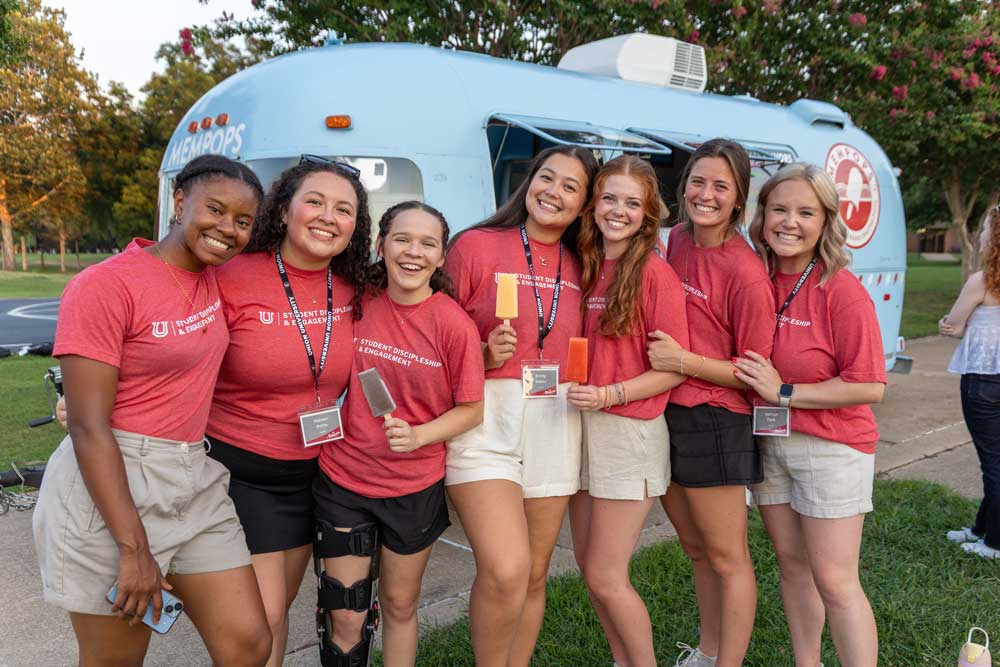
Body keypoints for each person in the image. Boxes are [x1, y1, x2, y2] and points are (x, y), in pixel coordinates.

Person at [33, 154, 273, 666]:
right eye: (215, 209)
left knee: (249, 643)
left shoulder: (216, 278)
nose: (226, 229)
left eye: (243, 221)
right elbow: (87, 425)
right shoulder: (106, 284)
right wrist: (132, 547)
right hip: (113, 480)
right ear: (179, 201)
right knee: (116, 660)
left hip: (194, 472)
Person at [204, 156, 371, 666]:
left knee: (275, 621)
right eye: (314, 202)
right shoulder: (231, 275)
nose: (328, 216)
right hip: (238, 471)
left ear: (354, 228)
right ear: (282, 211)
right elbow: (175, 347)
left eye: (343, 209)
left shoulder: (356, 288)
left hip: (310, 475)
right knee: (262, 619)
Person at [445, 145, 600, 667]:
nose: (553, 192)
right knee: (506, 569)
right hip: (487, 414)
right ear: (527, 181)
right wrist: (482, 354)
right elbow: (436, 335)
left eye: (570, 186)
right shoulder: (475, 246)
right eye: (546, 178)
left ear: (584, 205)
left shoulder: (587, 262)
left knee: (533, 573)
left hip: (557, 415)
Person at [313, 201, 485, 666]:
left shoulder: (453, 325)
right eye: (402, 239)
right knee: (345, 612)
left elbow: (471, 409)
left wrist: (421, 434)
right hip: (344, 480)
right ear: (381, 245)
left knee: (399, 604)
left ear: (442, 256)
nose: (414, 252)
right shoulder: (358, 301)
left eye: (428, 243)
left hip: (413, 488)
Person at [738, 163, 885, 667]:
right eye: (779, 209)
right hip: (768, 442)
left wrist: (783, 391)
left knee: (836, 580)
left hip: (831, 446)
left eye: (806, 212)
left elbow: (869, 384)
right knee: (792, 565)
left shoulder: (840, 290)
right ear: (762, 216)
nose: (790, 222)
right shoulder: (755, 277)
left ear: (825, 221)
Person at [646, 139, 776, 667]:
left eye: (721, 186)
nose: (706, 194)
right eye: (698, 181)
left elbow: (754, 373)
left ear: (739, 198)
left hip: (716, 420)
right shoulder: (672, 241)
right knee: (696, 550)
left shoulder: (745, 271)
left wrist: (684, 362)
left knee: (727, 557)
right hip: (664, 411)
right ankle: (707, 651)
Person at [567, 155, 688, 667]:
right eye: (609, 198)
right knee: (588, 568)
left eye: (632, 203)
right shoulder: (585, 262)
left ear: (647, 213)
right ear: (594, 203)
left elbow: (674, 368)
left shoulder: (655, 274)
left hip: (628, 431)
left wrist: (611, 394)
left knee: (606, 574)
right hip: (580, 426)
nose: (618, 210)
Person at [940, 203, 1000, 560]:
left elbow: (954, 325)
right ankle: (981, 529)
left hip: (983, 382)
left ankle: (994, 544)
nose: (980, 236)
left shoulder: (981, 281)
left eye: (985, 230)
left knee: (993, 463)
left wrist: (947, 325)